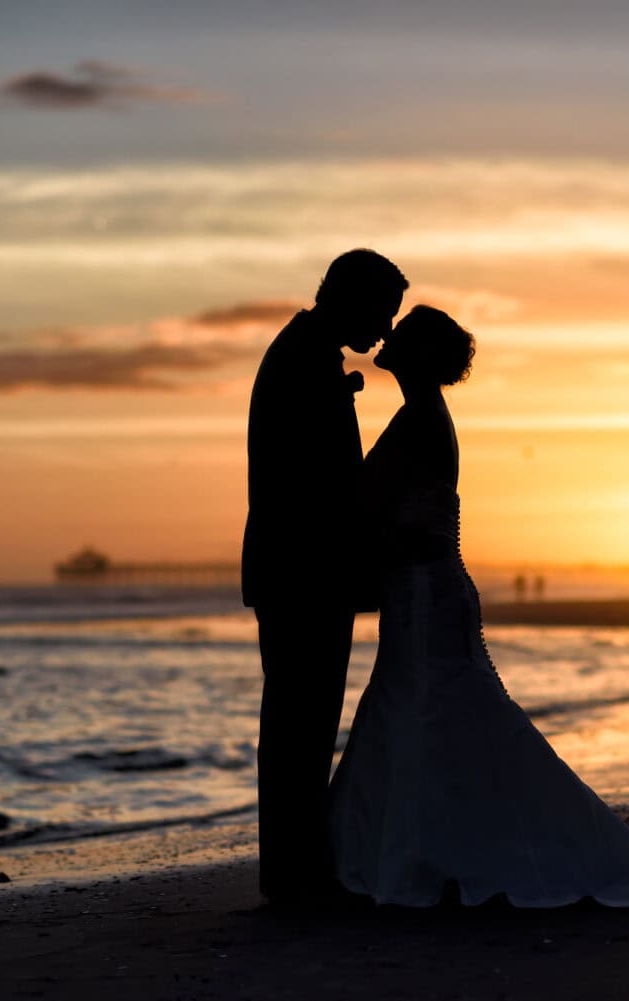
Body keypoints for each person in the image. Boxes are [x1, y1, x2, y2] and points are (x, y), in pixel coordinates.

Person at [329, 306, 629, 907]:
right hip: (421, 592)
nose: (388, 333)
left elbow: (370, 508)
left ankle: (419, 853)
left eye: (404, 330)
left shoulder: (421, 420)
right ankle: (411, 848)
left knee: (432, 712)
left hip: (426, 594)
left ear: (421, 353)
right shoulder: (419, 417)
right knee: (427, 713)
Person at [241, 249, 406, 906]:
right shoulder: (303, 362)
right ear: (352, 298)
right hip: (302, 574)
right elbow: (320, 489)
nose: (387, 332)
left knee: (302, 725)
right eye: (383, 313)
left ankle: (295, 870)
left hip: (301, 572)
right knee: (298, 726)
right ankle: (292, 877)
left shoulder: (304, 352)